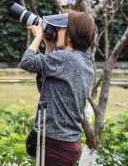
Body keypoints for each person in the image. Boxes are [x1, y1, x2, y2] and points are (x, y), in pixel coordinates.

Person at [18, 10, 97, 166]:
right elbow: (48, 90)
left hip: (54, 143)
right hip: (68, 143)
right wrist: (48, 47)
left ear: (70, 35)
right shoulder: (85, 62)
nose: (56, 32)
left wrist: (38, 36)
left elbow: (27, 62)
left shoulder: (65, 58)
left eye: (60, 29)